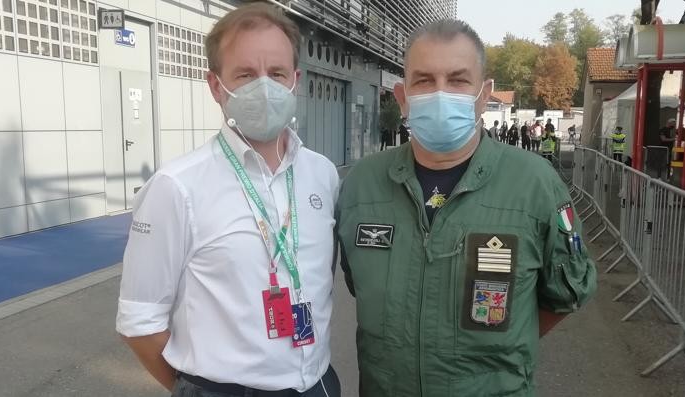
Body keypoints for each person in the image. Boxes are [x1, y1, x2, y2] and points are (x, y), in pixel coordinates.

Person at [336, 19, 596, 396]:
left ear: (483, 92)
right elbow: (358, 284)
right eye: (424, 80)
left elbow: (564, 293)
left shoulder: (534, 183)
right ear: (402, 95)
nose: (441, 93)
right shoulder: (362, 184)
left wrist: (496, 349)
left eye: (458, 80)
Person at [117, 3, 341, 396]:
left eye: (276, 74)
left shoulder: (322, 174)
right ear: (216, 86)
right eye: (245, 74)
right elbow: (140, 323)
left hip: (318, 384)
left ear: (296, 81)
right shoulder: (177, 186)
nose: (264, 87)